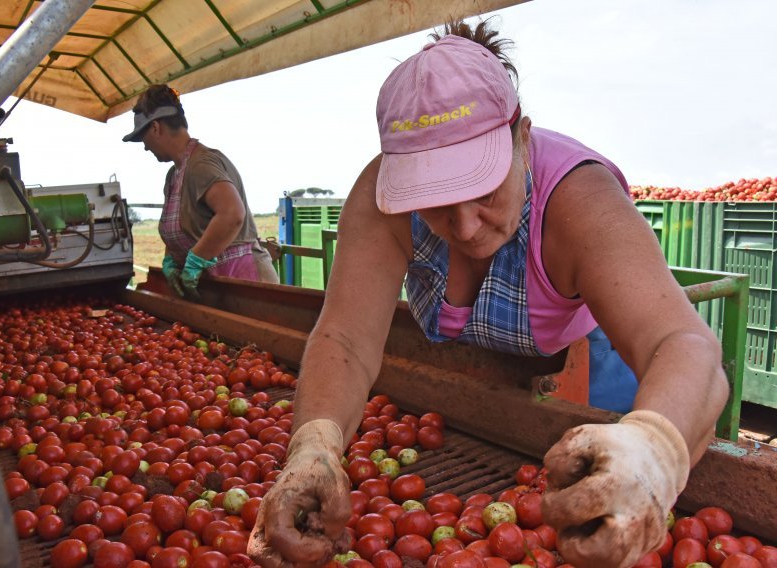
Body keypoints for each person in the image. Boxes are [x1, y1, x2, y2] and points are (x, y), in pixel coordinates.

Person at [247, 20, 729, 568]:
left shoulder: (577, 199)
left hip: (594, 370)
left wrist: (651, 449)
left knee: (614, 517)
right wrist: (314, 443)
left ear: (521, 137)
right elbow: (345, 338)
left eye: (482, 186)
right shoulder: (385, 204)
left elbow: (684, 343)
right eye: (434, 199)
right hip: (491, 377)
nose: (467, 225)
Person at [122, 84, 279, 299]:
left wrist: (196, 259)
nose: (145, 147)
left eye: (143, 138)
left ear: (156, 128)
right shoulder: (174, 175)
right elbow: (187, 226)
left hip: (244, 284)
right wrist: (171, 258)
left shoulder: (201, 165)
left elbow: (232, 214)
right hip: (216, 286)